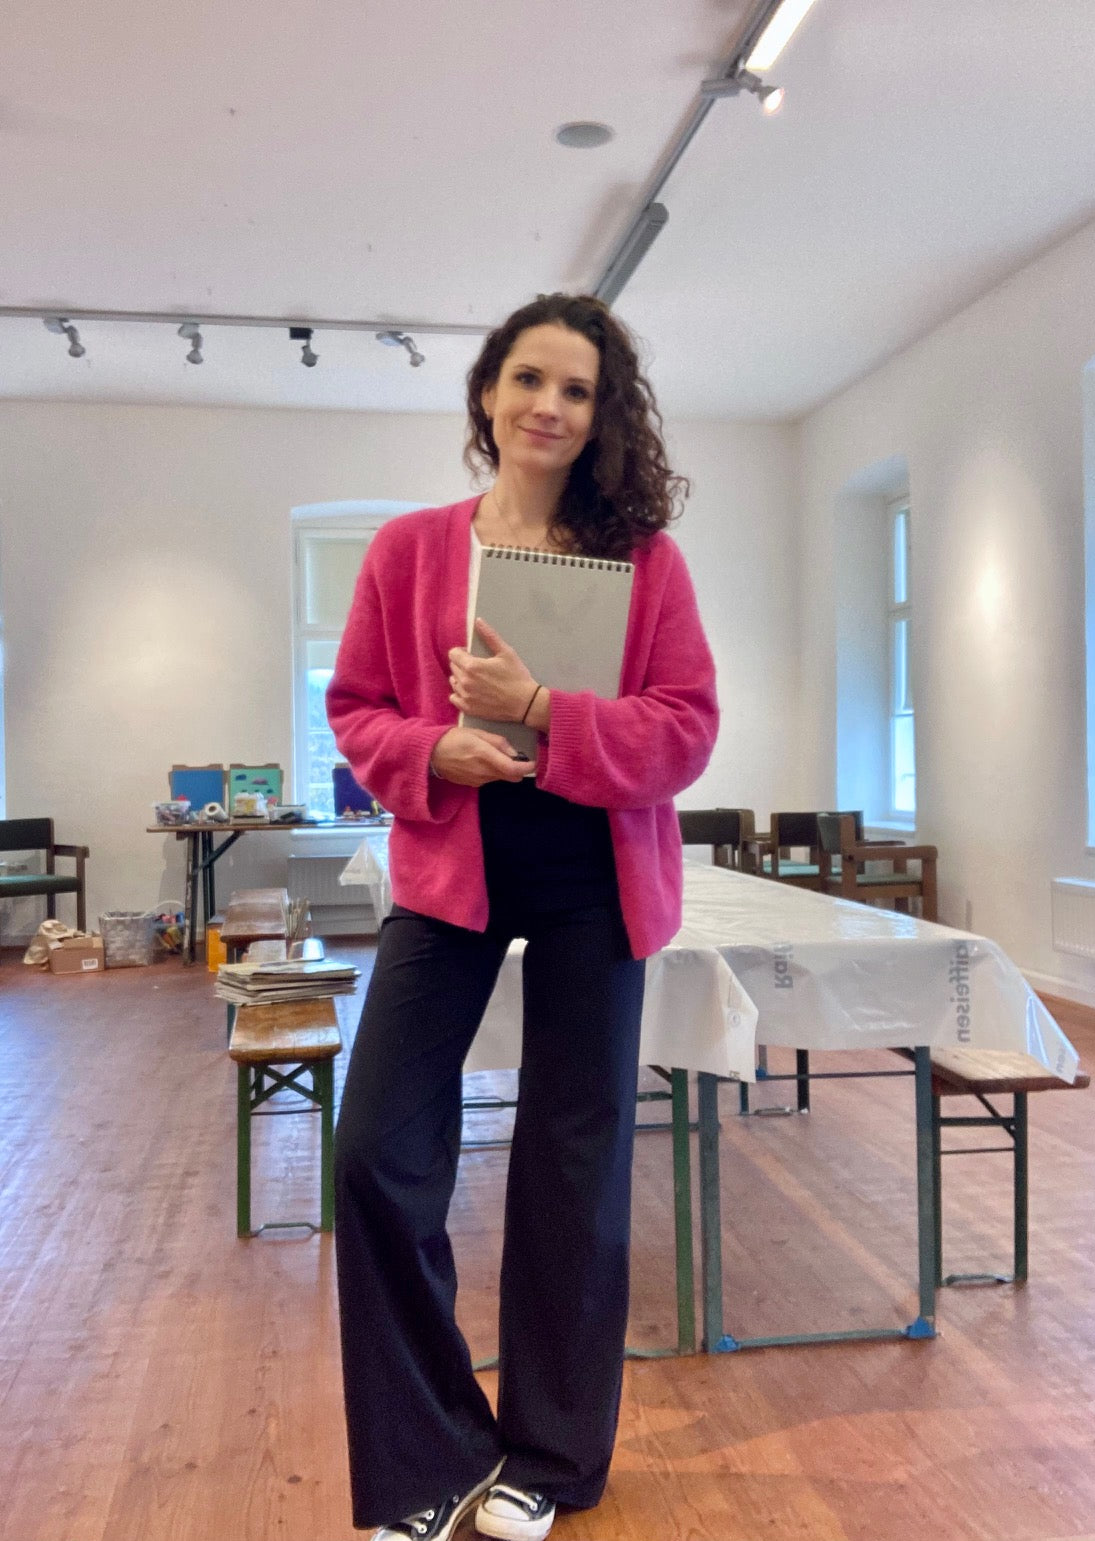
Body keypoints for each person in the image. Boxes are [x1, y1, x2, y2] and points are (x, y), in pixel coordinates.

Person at [326, 292, 719, 1541]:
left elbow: (687, 728)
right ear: (488, 394)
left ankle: (547, 1457)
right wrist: (435, 749)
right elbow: (354, 711)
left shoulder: (643, 558)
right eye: (529, 379)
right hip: (452, 862)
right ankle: (427, 1453)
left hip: (596, 868)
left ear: (603, 416)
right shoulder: (406, 549)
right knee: (375, 1149)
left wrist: (546, 709)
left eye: (578, 388)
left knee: (572, 1160)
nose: (549, 405)